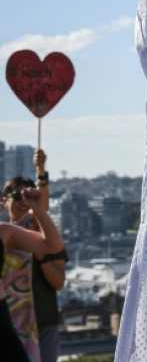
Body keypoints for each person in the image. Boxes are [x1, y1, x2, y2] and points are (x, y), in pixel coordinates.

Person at [3, 149, 68, 362]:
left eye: (28, 196)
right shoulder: (6, 234)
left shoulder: (41, 235)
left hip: (43, 322)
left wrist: (41, 172)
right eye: (17, 196)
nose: (24, 202)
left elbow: (58, 281)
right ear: (4, 201)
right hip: (9, 321)